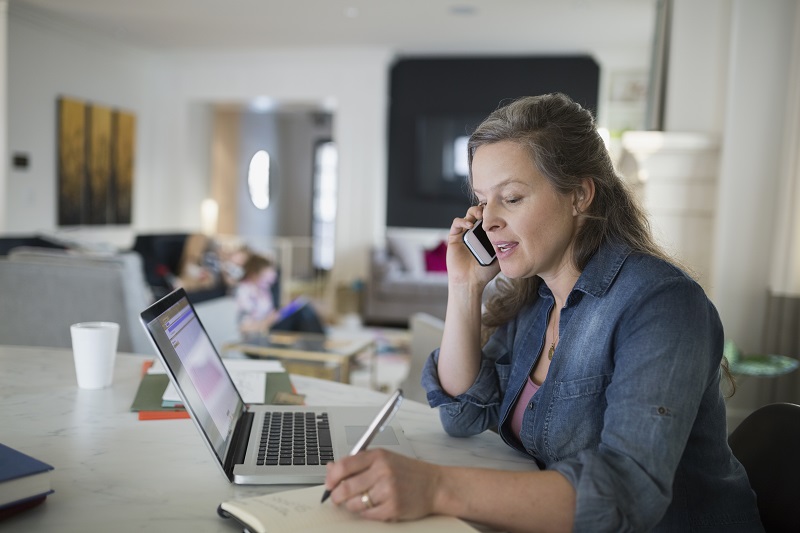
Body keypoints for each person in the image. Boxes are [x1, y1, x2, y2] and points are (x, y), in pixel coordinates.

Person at [323, 93, 764, 532]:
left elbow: (626, 494)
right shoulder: (535, 297)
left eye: (511, 198)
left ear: (579, 195)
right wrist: (465, 286)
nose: (488, 221)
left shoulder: (662, 305)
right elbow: (462, 415)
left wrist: (437, 487)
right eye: (482, 200)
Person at [235, 252, 279, 335]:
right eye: (265, 277)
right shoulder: (243, 292)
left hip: (266, 332)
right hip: (252, 338)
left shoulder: (263, 289)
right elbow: (244, 328)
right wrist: (267, 322)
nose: (270, 281)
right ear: (254, 274)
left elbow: (269, 312)